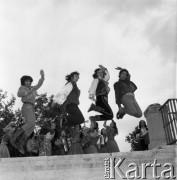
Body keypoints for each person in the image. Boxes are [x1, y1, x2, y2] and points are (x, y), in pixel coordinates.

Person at [10, 70, 45, 154]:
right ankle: (15, 136)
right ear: (23, 82)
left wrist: (42, 77)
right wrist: (28, 91)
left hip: (32, 107)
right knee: (31, 123)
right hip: (26, 106)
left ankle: (21, 143)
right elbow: (19, 94)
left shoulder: (33, 87)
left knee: (32, 126)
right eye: (26, 81)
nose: (28, 82)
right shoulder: (22, 88)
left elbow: (39, 84)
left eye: (29, 81)